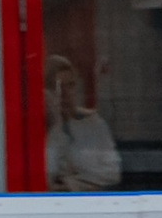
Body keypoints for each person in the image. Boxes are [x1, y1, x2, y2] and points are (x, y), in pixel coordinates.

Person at [42, 55, 121, 192]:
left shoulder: (93, 123)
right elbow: (46, 179)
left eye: (70, 85)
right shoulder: (42, 130)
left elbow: (112, 172)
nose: (65, 94)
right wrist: (55, 123)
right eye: (57, 88)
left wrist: (69, 184)